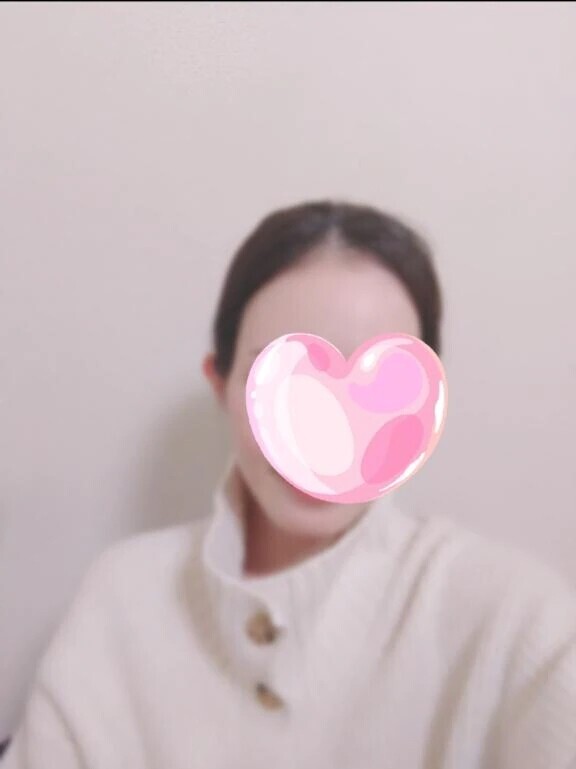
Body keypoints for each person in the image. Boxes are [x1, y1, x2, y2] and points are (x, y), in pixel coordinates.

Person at [4, 201, 576, 769]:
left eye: (379, 391)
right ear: (221, 384)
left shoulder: (518, 625)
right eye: (285, 381)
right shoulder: (122, 600)